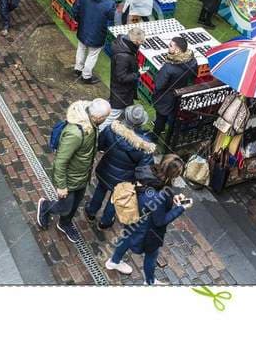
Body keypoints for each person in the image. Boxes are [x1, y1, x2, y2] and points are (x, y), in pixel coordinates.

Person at [104, 155, 189, 283]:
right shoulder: (159, 195)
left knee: (126, 237)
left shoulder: (148, 173)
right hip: (147, 230)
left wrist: (173, 198)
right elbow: (160, 221)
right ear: (173, 175)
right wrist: (181, 208)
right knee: (152, 254)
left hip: (133, 215)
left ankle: (114, 261)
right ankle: (150, 282)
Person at [36, 98, 111, 241]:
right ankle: (45, 206)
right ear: (98, 117)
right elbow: (60, 161)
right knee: (65, 207)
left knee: (75, 204)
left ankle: (64, 223)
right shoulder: (75, 134)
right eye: (105, 117)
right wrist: (62, 186)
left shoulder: (92, 123)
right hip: (70, 178)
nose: (105, 120)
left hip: (82, 175)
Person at [85, 104, 156, 230]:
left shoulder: (111, 129)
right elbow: (145, 170)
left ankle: (91, 212)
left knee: (100, 189)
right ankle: (105, 222)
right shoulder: (145, 145)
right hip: (125, 179)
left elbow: (100, 146)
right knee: (115, 198)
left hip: (106, 169)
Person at [152, 37, 198, 147]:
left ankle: (155, 137)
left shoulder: (169, 67)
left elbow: (159, 85)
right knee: (173, 118)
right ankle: (170, 138)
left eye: (170, 45)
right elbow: (193, 78)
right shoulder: (193, 61)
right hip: (181, 95)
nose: (168, 47)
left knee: (161, 118)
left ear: (177, 50)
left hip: (166, 98)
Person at [71, 0, 116, 84]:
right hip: (98, 33)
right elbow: (112, 17)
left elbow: (75, 9)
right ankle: (86, 76)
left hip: (83, 29)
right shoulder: (110, 3)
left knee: (81, 49)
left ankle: (78, 69)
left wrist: (79, 20)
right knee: (92, 55)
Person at [108, 26, 146, 122]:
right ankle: (99, 132)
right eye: (141, 42)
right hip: (120, 92)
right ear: (135, 41)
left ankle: (126, 128)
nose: (142, 44)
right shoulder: (123, 56)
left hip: (124, 91)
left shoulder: (124, 45)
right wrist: (138, 74)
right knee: (112, 115)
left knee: (126, 111)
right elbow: (121, 77)